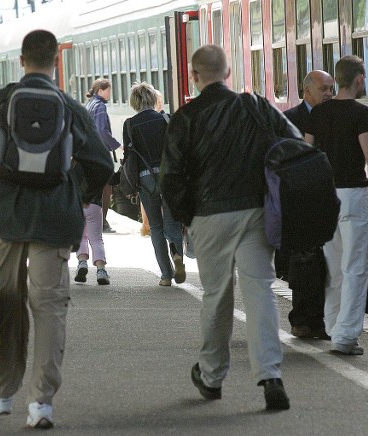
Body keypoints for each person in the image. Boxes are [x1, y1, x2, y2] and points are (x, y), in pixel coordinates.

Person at [0, 30, 113, 429]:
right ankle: (42, 402)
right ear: (56, 61)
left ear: (21, 61)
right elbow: (102, 164)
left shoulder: (1, 101)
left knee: (6, 299)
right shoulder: (70, 106)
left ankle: (2, 391)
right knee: (50, 307)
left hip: (4, 220)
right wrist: (78, 195)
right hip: (55, 220)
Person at [161, 45, 301, 410]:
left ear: (194, 75)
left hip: (208, 216)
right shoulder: (254, 106)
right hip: (255, 212)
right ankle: (271, 377)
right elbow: (295, 143)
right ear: (227, 73)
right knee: (260, 293)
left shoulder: (186, 117)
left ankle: (211, 376)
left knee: (216, 296)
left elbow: (171, 177)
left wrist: (185, 217)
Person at [305, 55, 368, 356]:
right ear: (358, 79)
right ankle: (345, 337)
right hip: (353, 197)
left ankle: (335, 328)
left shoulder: (317, 113)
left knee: (336, 268)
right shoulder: (361, 113)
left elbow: (305, 153)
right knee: (355, 267)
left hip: (324, 198)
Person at [282, 70, 334, 340]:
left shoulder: (336, 116)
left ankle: (322, 321)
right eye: (324, 88)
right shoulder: (290, 120)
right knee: (304, 262)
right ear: (307, 91)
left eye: (331, 88)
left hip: (329, 197)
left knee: (328, 263)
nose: (328, 93)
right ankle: (302, 320)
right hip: (301, 199)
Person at [123, 82, 184, 286]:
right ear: (152, 99)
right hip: (168, 176)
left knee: (156, 227)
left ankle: (166, 276)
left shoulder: (130, 124)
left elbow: (128, 156)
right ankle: (177, 256)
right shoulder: (165, 119)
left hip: (145, 179)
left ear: (134, 102)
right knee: (172, 224)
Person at [85, 78, 121, 233]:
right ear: (101, 91)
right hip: (99, 154)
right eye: (108, 90)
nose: (110, 93)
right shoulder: (99, 106)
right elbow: (102, 131)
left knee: (95, 188)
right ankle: (102, 222)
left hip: (89, 153)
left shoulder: (89, 105)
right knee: (106, 188)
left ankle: (94, 221)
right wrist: (117, 145)